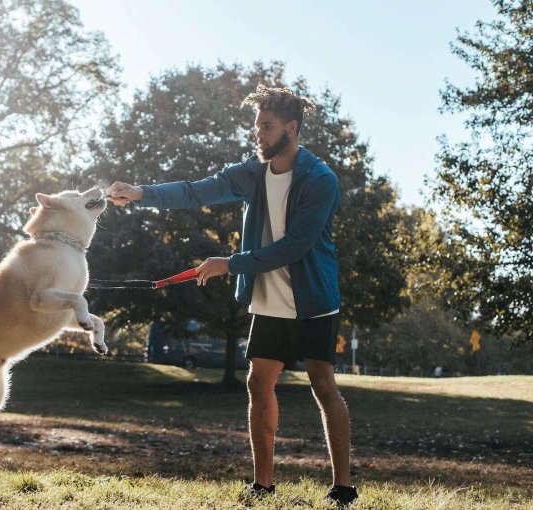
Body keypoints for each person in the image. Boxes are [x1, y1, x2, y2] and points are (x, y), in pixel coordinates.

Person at [106, 84, 358, 507]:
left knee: (323, 386)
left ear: (291, 128)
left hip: (313, 302)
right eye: (257, 126)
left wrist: (230, 263)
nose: (258, 134)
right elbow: (196, 190)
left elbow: (295, 246)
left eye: (267, 126)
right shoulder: (252, 172)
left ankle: (343, 486)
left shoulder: (320, 180)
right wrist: (141, 193)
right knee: (258, 383)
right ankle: (263, 484)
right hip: (269, 303)